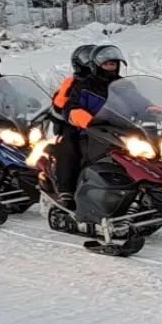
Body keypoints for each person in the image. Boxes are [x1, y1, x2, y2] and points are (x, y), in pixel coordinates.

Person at [49, 43, 97, 204]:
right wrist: (73, 114)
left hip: (106, 126)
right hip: (73, 127)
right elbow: (58, 106)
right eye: (88, 60)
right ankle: (66, 190)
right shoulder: (71, 84)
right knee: (70, 149)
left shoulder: (108, 82)